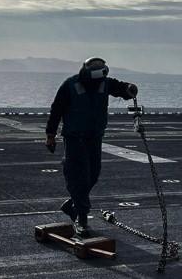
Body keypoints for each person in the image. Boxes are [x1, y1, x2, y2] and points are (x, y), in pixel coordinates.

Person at [45, 57, 138, 236]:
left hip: (95, 137)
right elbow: (56, 110)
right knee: (78, 176)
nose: (98, 82)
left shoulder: (104, 82)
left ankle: (73, 205)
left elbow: (120, 88)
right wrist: (50, 135)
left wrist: (129, 89)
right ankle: (81, 216)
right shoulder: (70, 85)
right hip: (74, 138)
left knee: (93, 175)